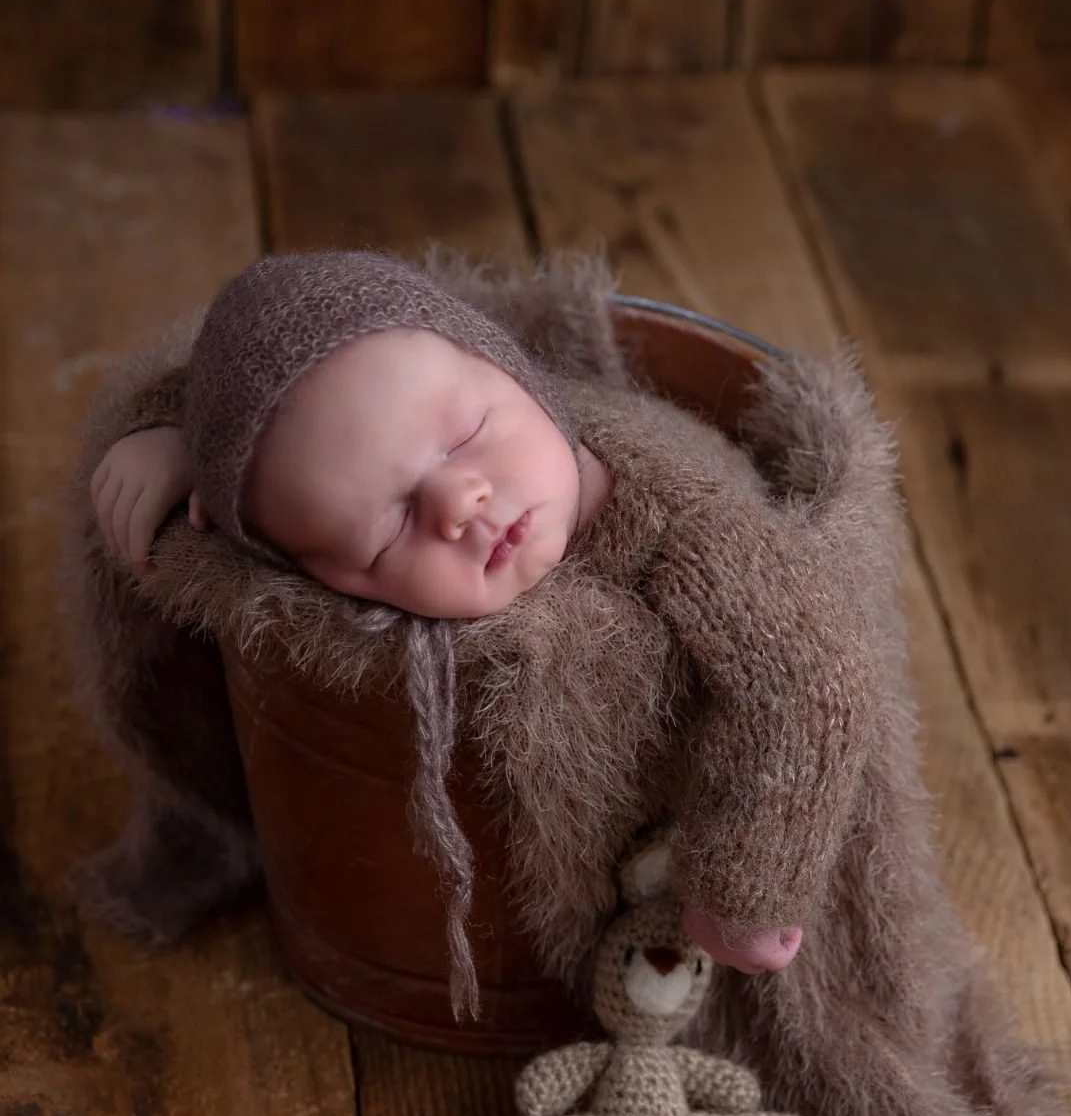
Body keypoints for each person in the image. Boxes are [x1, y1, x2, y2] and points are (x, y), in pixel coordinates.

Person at [89, 312, 804, 976]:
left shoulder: (682, 528)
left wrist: (744, 893)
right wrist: (187, 443)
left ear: (518, 369)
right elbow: (295, 389)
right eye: (390, 531)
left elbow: (804, 679)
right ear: (329, 583)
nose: (461, 503)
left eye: (466, 437)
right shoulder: (377, 449)